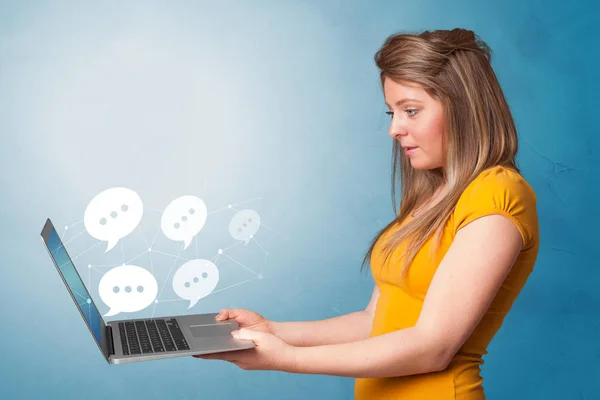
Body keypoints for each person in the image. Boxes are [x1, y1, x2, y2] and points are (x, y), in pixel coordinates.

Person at [194, 27, 540, 400]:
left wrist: (287, 359)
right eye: (392, 112)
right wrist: (273, 331)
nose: (394, 129)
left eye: (411, 110)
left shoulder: (498, 193)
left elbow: (433, 346)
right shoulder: (434, 198)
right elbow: (373, 322)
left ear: (463, 107)